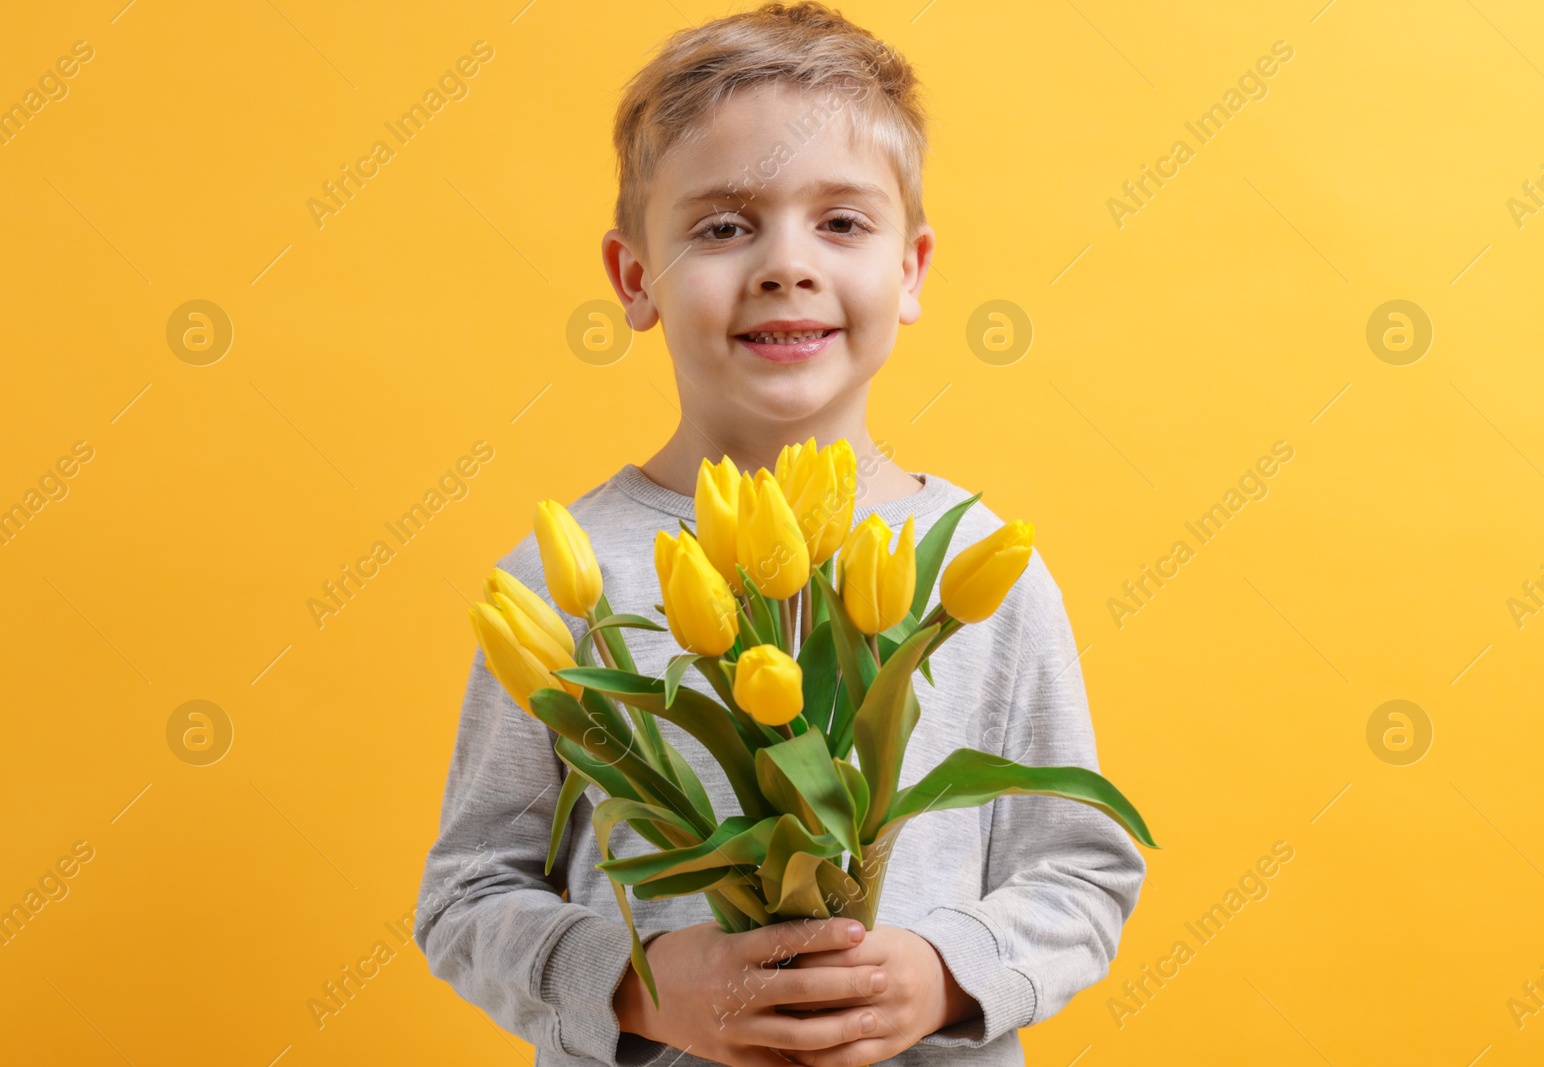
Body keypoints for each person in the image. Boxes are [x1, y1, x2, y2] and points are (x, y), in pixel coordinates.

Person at [413, 3, 1147, 1064]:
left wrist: (946, 971)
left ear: (911, 271)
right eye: (721, 225)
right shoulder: (564, 575)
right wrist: (637, 986)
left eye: (841, 223)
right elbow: (469, 889)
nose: (783, 265)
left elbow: (1080, 871)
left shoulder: (976, 563)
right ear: (634, 278)